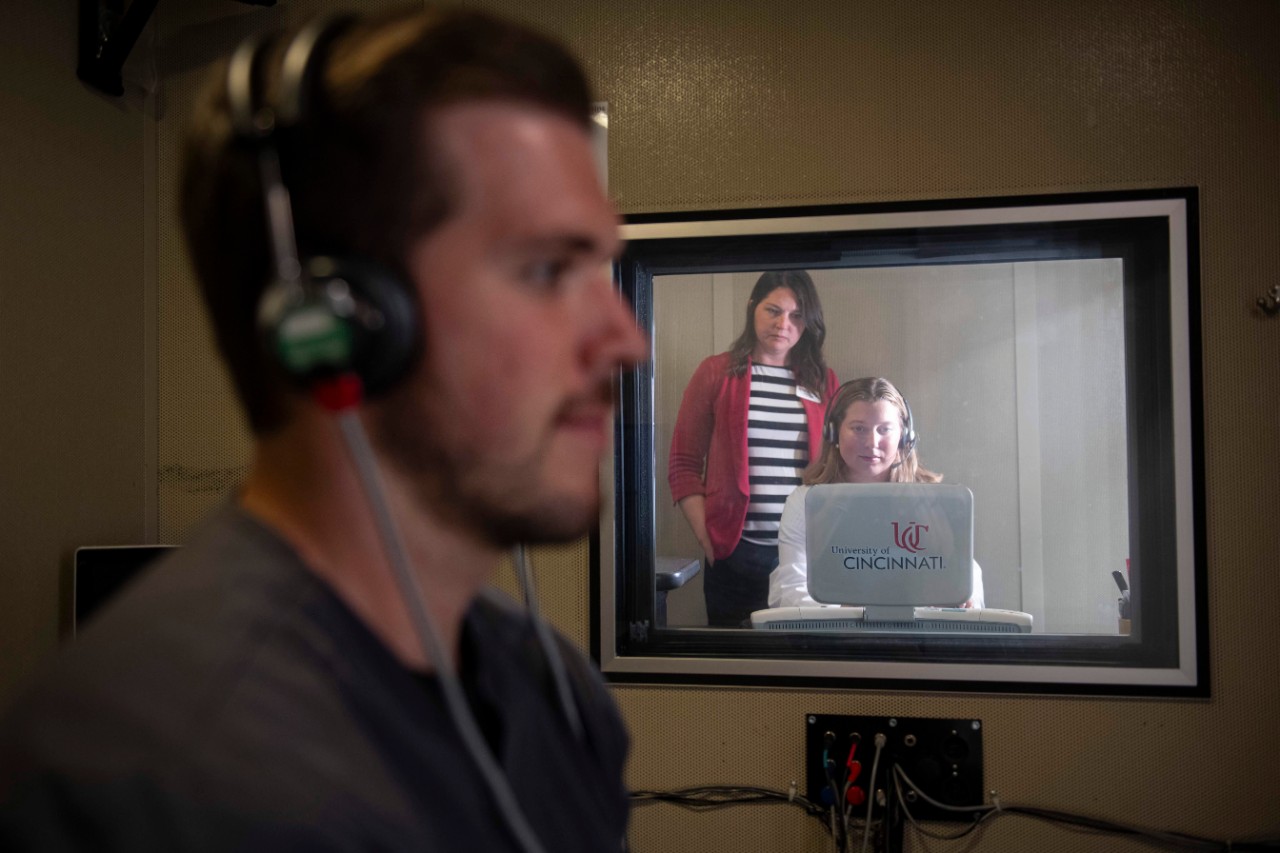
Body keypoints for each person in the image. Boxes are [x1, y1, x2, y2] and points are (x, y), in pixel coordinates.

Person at [0, 9, 646, 852]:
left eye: (602, 268)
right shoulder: (143, 778)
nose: (627, 342)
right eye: (547, 269)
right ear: (347, 322)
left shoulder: (561, 699)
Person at [668, 270, 837, 627]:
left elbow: (837, 466)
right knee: (736, 657)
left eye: (796, 316)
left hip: (804, 557)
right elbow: (683, 464)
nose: (783, 324)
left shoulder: (823, 381)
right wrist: (709, 540)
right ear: (752, 308)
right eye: (773, 310)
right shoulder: (716, 372)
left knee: (800, 656)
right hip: (736, 554)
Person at [768, 377, 985, 609]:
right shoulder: (805, 502)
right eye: (859, 428)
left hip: (915, 630)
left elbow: (965, 575)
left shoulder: (934, 502)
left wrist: (964, 600)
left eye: (884, 429)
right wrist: (849, 613)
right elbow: (791, 588)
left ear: (904, 436)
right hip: (838, 631)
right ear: (834, 433)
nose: (872, 442)